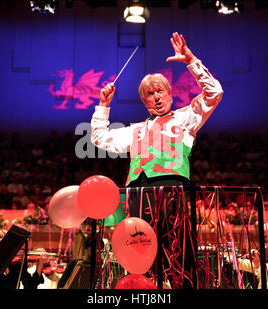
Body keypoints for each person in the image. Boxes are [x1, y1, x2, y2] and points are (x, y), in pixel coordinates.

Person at [91, 32, 223, 288]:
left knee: (178, 252)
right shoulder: (135, 129)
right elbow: (99, 138)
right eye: (150, 94)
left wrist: (191, 61)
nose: (157, 96)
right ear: (144, 101)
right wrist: (103, 105)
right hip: (138, 195)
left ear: (170, 94)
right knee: (141, 254)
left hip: (173, 192)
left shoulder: (185, 119)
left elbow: (214, 93)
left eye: (160, 91)